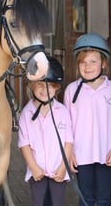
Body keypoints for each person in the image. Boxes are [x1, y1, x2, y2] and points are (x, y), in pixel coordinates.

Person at [63, 33, 111, 206]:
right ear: (78, 65)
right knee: (86, 198)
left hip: (106, 155)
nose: (88, 66)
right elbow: (66, 125)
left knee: (104, 198)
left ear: (103, 63)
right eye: (83, 62)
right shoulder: (71, 90)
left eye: (93, 61)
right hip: (81, 155)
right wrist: (70, 153)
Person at [18, 56, 73, 206]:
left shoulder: (62, 111)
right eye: (40, 84)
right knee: (39, 203)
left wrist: (63, 168)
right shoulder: (26, 113)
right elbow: (24, 144)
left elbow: (69, 142)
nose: (44, 90)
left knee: (56, 203)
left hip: (58, 170)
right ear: (31, 85)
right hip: (37, 171)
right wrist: (34, 167)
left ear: (57, 87)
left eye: (50, 85)